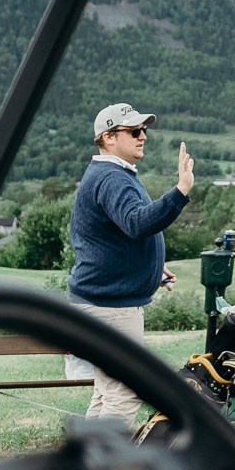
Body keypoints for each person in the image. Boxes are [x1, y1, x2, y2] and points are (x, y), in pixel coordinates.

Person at [65, 103, 193, 421]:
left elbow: (104, 236)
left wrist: (148, 268)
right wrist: (180, 190)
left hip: (103, 301)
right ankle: (106, 467)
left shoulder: (109, 175)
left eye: (144, 130)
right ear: (109, 137)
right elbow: (137, 222)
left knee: (107, 392)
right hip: (112, 308)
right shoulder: (112, 178)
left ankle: (88, 465)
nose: (143, 137)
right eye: (135, 131)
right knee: (126, 392)